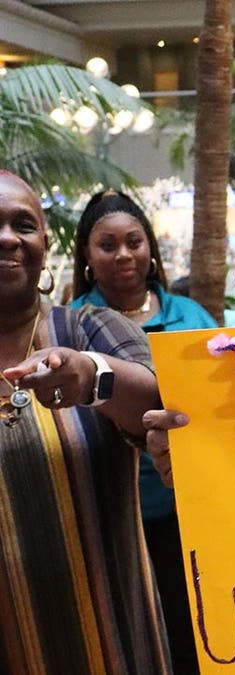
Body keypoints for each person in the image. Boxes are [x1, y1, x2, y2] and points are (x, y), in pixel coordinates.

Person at [0, 171, 168, 672]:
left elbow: (161, 401)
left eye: (23, 225)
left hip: (110, 638)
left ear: (45, 245)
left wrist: (94, 376)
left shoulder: (89, 327)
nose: (8, 237)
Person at [69, 189, 213, 674]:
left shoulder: (190, 317)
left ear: (150, 246)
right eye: (107, 245)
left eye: (134, 241)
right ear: (86, 256)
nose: (124, 254)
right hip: (111, 513)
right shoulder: (71, 328)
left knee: (197, 631)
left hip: (192, 513)